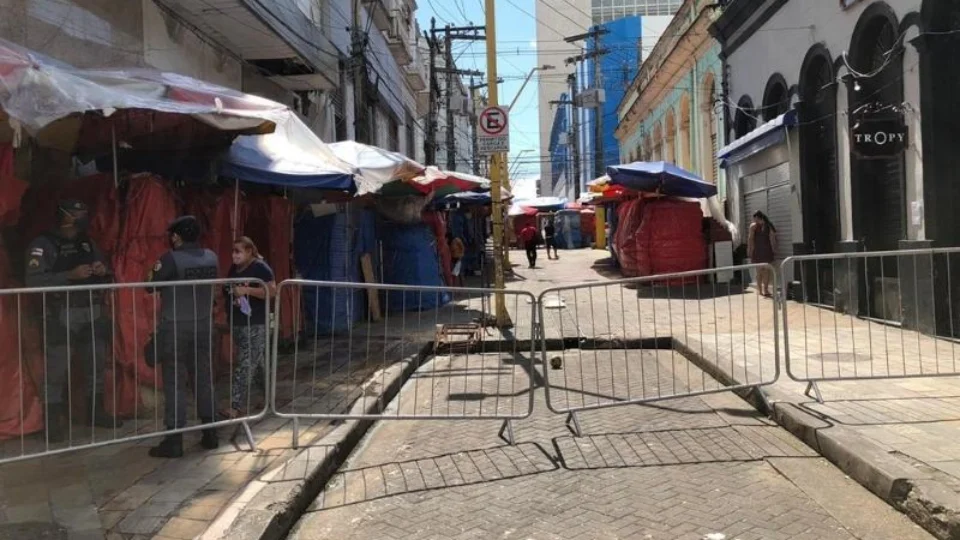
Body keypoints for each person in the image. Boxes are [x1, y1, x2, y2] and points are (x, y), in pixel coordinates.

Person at [25, 200, 122, 442]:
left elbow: (106, 270)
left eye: (84, 212)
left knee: (96, 364)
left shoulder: (87, 242)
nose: (83, 216)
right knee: (57, 369)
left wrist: (102, 270)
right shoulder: (43, 244)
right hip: (62, 312)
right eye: (79, 213)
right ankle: (52, 423)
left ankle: (95, 412)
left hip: (92, 310)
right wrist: (69, 275)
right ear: (65, 216)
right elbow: (34, 281)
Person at [146, 216, 219, 458]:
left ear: (176, 236)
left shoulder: (170, 259)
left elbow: (150, 285)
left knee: (174, 381)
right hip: (203, 325)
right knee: (203, 377)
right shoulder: (211, 257)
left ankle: (174, 439)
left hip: (175, 326)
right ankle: (210, 433)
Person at [222, 237, 275, 420]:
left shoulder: (260, 268)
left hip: (256, 324)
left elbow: (272, 290)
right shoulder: (233, 269)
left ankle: (236, 405)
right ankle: (268, 397)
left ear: (249, 251)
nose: (235, 255)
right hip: (238, 322)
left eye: (239, 251)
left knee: (245, 364)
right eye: (233, 251)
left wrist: (247, 291)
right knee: (256, 363)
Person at [748, 210, 777, 297]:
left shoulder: (754, 226)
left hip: (758, 250)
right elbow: (773, 238)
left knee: (760, 271)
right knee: (765, 271)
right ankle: (765, 290)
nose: (753, 220)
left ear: (757, 218)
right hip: (766, 250)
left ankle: (761, 290)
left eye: (754, 218)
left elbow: (750, 239)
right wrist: (774, 249)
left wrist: (750, 249)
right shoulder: (768, 225)